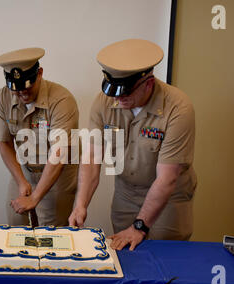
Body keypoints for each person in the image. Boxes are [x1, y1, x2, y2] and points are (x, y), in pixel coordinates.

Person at [68, 39, 197, 251]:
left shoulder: (178, 107)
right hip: (126, 194)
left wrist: (139, 226)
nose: (118, 99)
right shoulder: (103, 102)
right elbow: (92, 158)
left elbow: (167, 178)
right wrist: (80, 205)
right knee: (126, 256)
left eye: (126, 92)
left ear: (148, 83)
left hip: (169, 199)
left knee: (165, 257)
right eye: (114, 91)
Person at [0, 47, 79, 226]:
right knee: (16, 227)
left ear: (39, 73)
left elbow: (59, 151)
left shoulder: (62, 100)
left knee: (51, 235)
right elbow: (4, 143)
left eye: (28, 86)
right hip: (24, 171)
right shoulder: (4, 97)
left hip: (57, 174)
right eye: (16, 89)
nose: (22, 93)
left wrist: (36, 197)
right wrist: (21, 181)